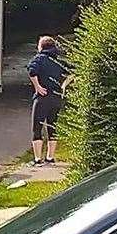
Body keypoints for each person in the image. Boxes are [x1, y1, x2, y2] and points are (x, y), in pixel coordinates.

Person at [27, 35, 71, 166]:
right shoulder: (59, 61)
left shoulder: (39, 59)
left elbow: (32, 71)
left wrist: (37, 87)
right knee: (52, 127)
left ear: (41, 47)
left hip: (42, 98)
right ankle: (50, 157)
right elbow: (70, 72)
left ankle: (37, 159)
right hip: (56, 97)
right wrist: (63, 87)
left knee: (37, 127)